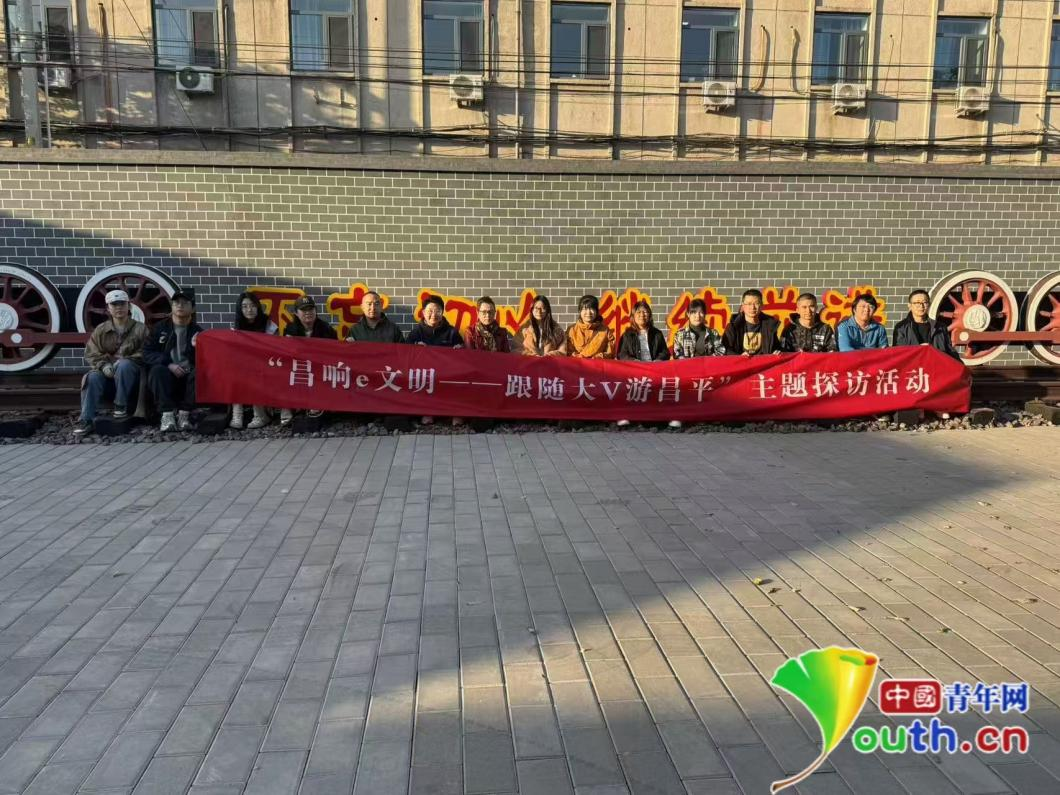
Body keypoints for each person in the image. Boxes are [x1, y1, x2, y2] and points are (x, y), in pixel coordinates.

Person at [73, 289, 149, 436]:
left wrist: (125, 359)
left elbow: (146, 352)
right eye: (114, 304)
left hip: (132, 376)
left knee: (124, 365)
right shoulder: (101, 330)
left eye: (122, 304)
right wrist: (104, 365)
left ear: (129, 306)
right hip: (108, 374)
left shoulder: (141, 328)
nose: (118, 307)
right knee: (92, 377)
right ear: (108, 308)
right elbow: (92, 352)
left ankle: (120, 406)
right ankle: (86, 419)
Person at [145, 290, 203, 432]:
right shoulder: (160, 328)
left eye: (185, 303)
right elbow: (146, 353)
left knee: (200, 372)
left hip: (188, 377)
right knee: (157, 370)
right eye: (176, 303)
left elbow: (205, 360)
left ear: (193, 308)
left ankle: (184, 415)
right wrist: (169, 364)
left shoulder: (198, 331)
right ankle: (167, 416)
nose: (180, 306)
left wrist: (196, 348)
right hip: (167, 376)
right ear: (172, 307)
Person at [280, 295, 337, 425]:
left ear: (316, 311)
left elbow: (334, 352)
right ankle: (287, 408)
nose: (308, 313)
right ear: (296, 313)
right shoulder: (290, 329)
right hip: (299, 367)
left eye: (311, 309)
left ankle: (316, 405)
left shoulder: (326, 328)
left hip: (319, 368)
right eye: (304, 310)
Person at [407, 294, 463, 426]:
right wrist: (415, 349)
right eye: (430, 311)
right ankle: (427, 411)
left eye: (437, 311)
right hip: (425, 373)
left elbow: (463, 354)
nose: (433, 314)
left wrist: (460, 349)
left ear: (442, 312)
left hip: (447, 372)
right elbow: (406, 354)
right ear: (423, 312)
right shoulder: (416, 332)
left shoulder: (452, 332)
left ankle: (455, 412)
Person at [616, 300, 672, 428]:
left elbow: (665, 352)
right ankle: (629, 417)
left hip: (654, 370)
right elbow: (622, 354)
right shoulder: (627, 335)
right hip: (635, 372)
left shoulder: (657, 333)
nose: (642, 315)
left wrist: (658, 360)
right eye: (639, 312)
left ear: (650, 315)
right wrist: (634, 362)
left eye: (645, 312)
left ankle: (656, 419)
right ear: (633, 316)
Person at [230, 292, 278, 430]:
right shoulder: (237, 327)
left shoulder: (269, 325)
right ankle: (237, 415)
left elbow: (276, 349)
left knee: (253, 372)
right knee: (234, 371)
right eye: (244, 306)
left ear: (258, 307)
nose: (249, 309)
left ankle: (260, 415)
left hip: (266, 364)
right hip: (244, 365)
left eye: (252, 306)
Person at [892, 289, 959, 359]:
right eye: (917, 303)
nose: (921, 306)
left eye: (924, 302)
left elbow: (950, 352)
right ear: (909, 305)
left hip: (935, 364)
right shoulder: (901, 327)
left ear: (929, 304)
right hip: (912, 365)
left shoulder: (940, 327)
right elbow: (898, 353)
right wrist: (919, 349)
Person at [721, 289, 783, 356]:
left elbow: (777, 348)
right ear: (743, 305)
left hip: (763, 362)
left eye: (756, 303)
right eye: (749, 304)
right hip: (741, 362)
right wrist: (738, 356)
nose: (752, 307)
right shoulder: (733, 326)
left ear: (761, 305)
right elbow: (724, 349)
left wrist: (777, 352)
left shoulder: (770, 326)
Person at [566, 295, 615, 359]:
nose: (588, 312)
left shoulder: (605, 331)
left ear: (597, 311)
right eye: (585, 309)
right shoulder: (571, 330)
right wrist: (577, 356)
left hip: (597, 364)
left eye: (592, 309)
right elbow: (567, 351)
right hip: (576, 364)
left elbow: (611, 352)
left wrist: (597, 357)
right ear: (579, 311)